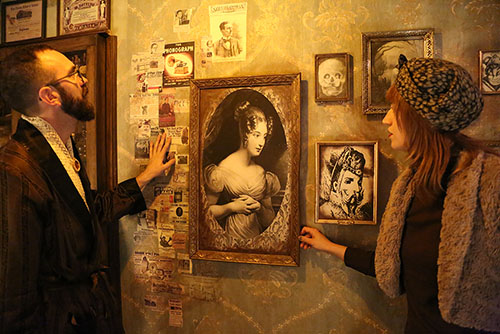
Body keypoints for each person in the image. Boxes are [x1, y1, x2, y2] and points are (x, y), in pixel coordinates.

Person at [300, 55, 500, 333]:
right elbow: (391, 265)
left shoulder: (490, 181)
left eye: (395, 108)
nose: (386, 119)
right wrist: (328, 246)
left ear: (423, 118)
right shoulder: (409, 186)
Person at [0, 45, 175, 333]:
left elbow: (86, 213)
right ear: (50, 95)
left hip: (87, 313)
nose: (83, 80)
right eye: (74, 74)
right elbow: (13, 299)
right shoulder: (14, 170)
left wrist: (144, 178)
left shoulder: (59, 147)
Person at [204, 101, 280, 240]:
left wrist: (259, 208)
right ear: (245, 134)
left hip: (256, 237)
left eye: (264, 136)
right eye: (256, 135)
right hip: (231, 238)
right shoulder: (222, 170)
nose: (261, 143)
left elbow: (270, 220)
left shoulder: (262, 173)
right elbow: (206, 212)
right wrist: (232, 207)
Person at [318, 146, 371, 221]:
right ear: (336, 186)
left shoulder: (359, 215)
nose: (357, 189)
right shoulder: (326, 212)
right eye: (348, 182)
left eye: (359, 183)